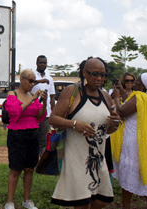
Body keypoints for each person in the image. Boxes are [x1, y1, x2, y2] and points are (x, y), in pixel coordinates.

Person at [50, 57, 121, 209]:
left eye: (104, 75)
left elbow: (106, 130)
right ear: (85, 73)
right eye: (96, 74)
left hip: (98, 157)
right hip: (76, 157)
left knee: (102, 200)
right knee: (82, 203)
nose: (100, 78)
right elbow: (53, 119)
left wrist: (115, 124)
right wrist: (75, 124)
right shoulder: (73, 92)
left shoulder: (105, 97)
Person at [4, 69, 47, 209]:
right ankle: (10, 202)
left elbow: (39, 116)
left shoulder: (31, 95)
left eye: (34, 81)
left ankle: (26, 200)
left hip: (33, 134)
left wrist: (44, 102)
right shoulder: (13, 94)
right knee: (15, 168)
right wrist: (32, 99)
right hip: (17, 135)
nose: (32, 84)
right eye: (30, 81)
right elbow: (15, 112)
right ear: (21, 79)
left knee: (29, 168)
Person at [110, 73, 147, 209]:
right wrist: (121, 91)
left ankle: (126, 206)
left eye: (137, 81)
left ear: (142, 85)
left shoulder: (140, 97)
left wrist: (116, 98)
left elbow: (123, 111)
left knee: (129, 173)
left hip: (134, 141)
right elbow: (129, 100)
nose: (134, 83)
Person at [31, 55, 56, 157]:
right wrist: (42, 81)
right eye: (41, 62)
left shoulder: (49, 78)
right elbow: (28, 85)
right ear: (36, 63)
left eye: (44, 63)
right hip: (33, 113)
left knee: (43, 139)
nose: (43, 64)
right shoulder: (31, 76)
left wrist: (54, 113)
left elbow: (52, 97)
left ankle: (40, 161)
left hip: (46, 114)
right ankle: (32, 159)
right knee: (33, 138)